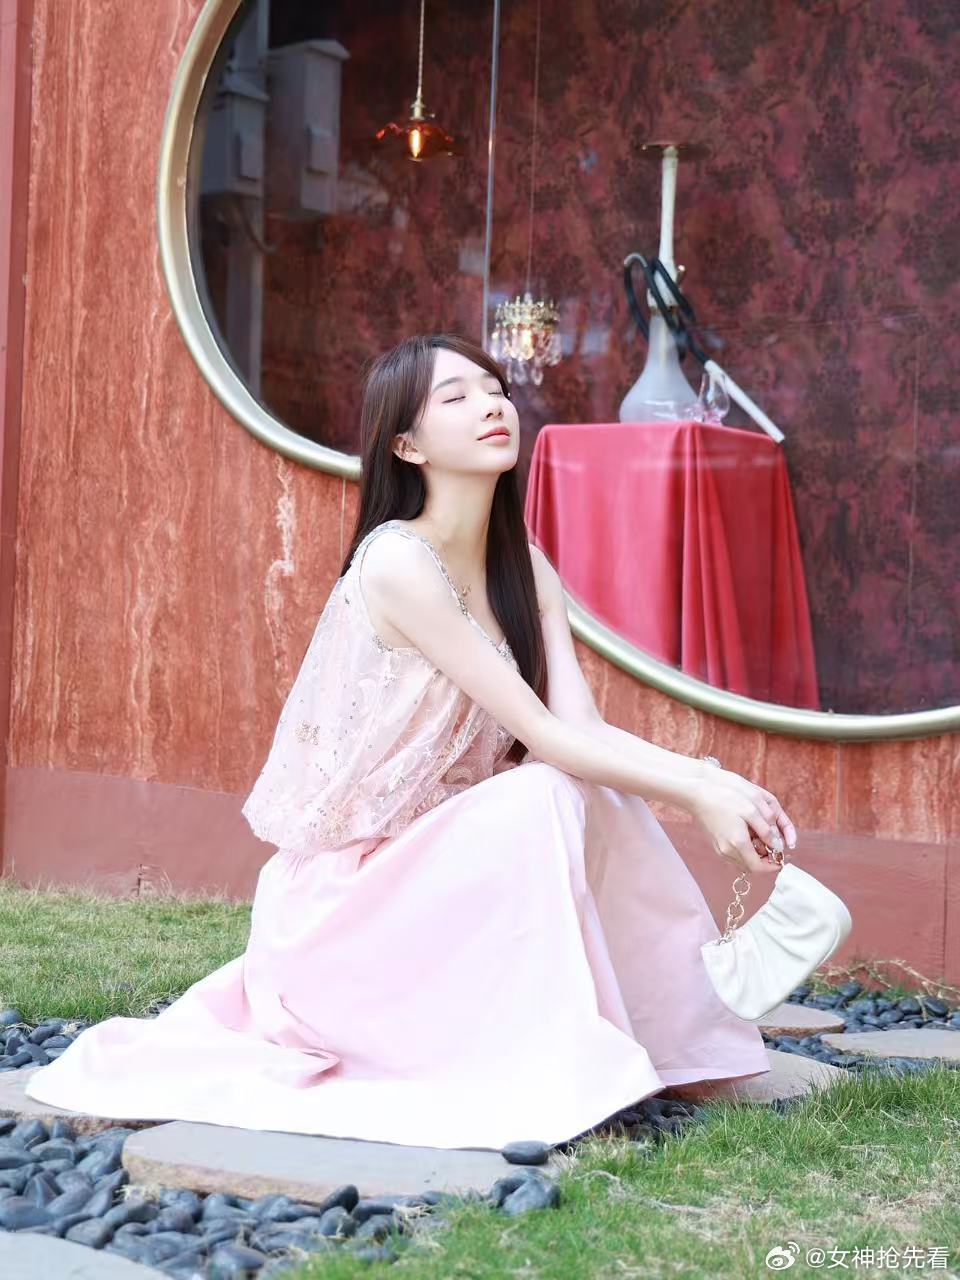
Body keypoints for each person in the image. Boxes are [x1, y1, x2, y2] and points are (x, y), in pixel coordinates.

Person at [24, 333, 795, 1151]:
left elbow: (582, 732)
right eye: (455, 398)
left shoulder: (526, 569)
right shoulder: (398, 563)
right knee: (543, 791)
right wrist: (698, 791)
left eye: (495, 390)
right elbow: (540, 734)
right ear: (407, 445)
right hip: (347, 910)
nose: (491, 406)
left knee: (590, 791)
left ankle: (669, 1039)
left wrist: (716, 784)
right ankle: (540, 1057)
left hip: (436, 878)